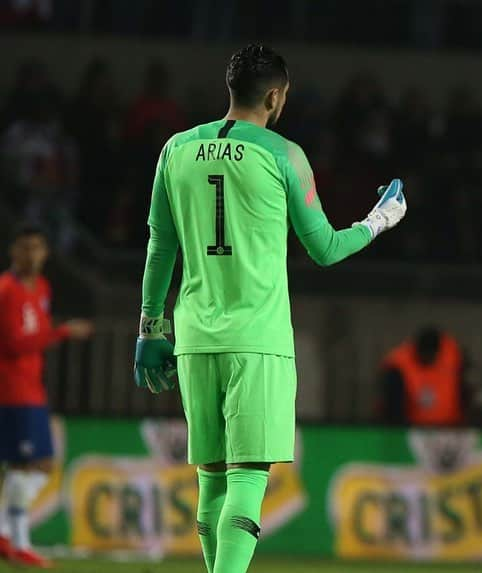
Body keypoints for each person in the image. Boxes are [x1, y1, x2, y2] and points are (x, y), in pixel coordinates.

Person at [133, 44, 406, 573]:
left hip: (193, 336)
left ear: (230, 88)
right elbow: (324, 248)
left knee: (211, 478)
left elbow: (159, 245)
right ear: (276, 95)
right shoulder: (284, 154)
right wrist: (378, 221)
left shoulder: (175, 149)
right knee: (248, 477)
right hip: (257, 338)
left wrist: (149, 327)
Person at [0, 224, 94, 567]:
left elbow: (32, 336)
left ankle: (14, 539)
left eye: (37, 247)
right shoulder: (7, 290)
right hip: (12, 389)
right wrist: (61, 332)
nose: (31, 254)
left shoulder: (41, 287)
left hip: (30, 387)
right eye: (24, 247)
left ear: (45, 253)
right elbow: (14, 343)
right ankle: (11, 535)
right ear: (13, 252)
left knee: (24, 465)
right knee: (36, 463)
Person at [379, 326, 468, 426]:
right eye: (425, 355)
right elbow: (393, 408)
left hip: (453, 429)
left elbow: (466, 391)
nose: (428, 359)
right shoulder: (398, 365)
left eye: (431, 355)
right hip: (413, 429)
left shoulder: (454, 355)